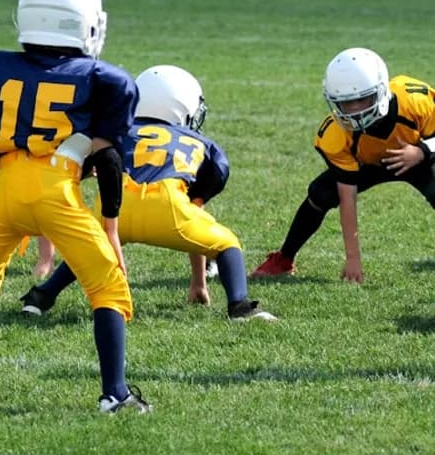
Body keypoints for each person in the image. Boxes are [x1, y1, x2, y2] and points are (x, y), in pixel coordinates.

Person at [0, 0, 149, 413]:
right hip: (56, 192)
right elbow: (108, 159)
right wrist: (111, 227)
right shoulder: (104, 79)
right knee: (107, 287)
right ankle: (115, 393)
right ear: (85, 23)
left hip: (5, 187)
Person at [19, 65, 276, 322]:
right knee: (227, 244)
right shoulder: (202, 144)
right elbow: (197, 205)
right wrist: (199, 281)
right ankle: (239, 306)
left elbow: (79, 163)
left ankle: (41, 296)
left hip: (115, 207)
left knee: (89, 248)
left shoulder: (116, 130)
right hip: (167, 208)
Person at [252, 48, 435, 284]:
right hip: (366, 164)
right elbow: (347, 197)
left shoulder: (415, 101)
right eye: (346, 103)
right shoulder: (335, 133)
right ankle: (284, 258)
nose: (355, 110)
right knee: (320, 193)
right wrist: (353, 257)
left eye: (362, 99)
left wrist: (420, 152)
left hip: (413, 155)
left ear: (381, 90)